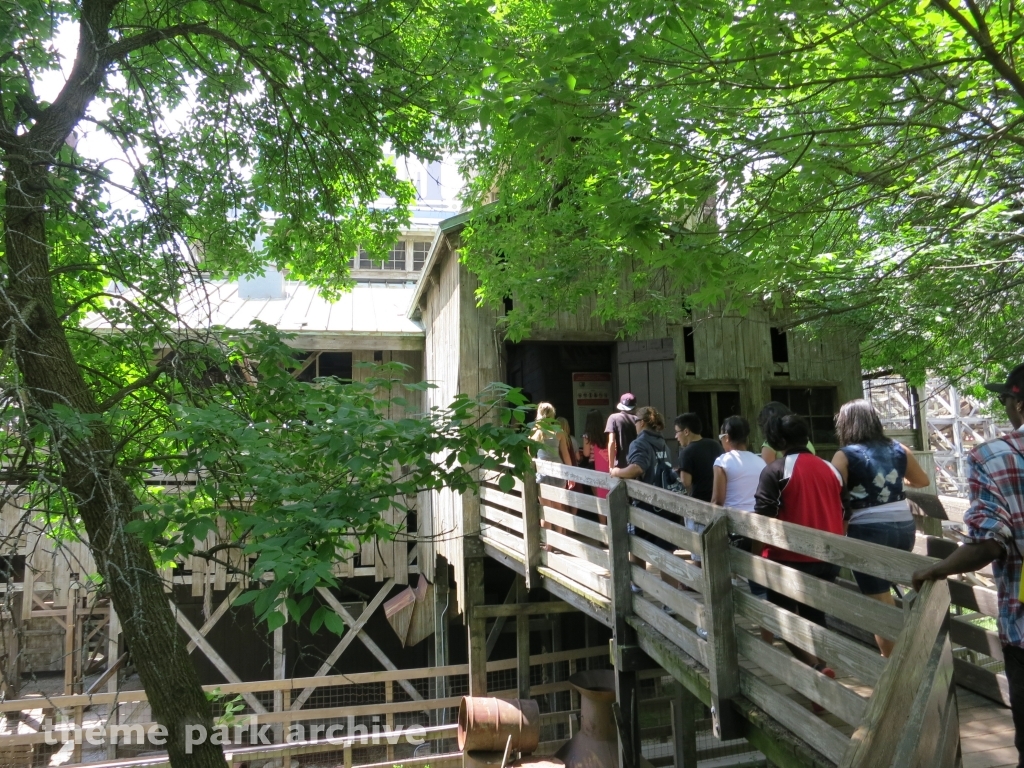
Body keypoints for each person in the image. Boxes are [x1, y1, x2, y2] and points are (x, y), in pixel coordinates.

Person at [913, 364, 1024, 767]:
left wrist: (935, 570)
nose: (1004, 407)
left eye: (1005, 399)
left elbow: (988, 545)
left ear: (1020, 404)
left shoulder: (993, 457)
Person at [832, 399, 931, 657]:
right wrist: (893, 482)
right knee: (890, 594)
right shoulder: (899, 449)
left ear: (846, 424)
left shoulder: (844, 455)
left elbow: (834, 492)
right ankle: (904, 654)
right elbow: (922, 481)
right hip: (904, 529)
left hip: (868, 529)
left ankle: (895, 664)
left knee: (879, 603)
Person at [754, 413, 849, 676]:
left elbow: (763, 518)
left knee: (782, 616)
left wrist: (755, 555)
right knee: (815, 615)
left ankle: (815, 667)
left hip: (788, 557)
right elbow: (846, 512)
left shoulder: (776, 471)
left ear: (780, 441)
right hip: (827, 557)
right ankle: (823, 665)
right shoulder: (830, 469)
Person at [675, 413, 724, 561]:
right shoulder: (715, 445)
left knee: (699, 555)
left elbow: (686, 482)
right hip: (719, 504)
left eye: (677, 432)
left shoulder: (686, 452)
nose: (676, 436)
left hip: (698, 506)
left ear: (686, 431)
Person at [712, 416, 766, 511]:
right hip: (759, 516)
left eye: (721, 437)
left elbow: (717, 501)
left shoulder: (722, 461)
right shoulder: (761, 462)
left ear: (727, 437)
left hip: (733, 517)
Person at [530, 402, 574, 487]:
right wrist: (570, 475)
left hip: (542, 470)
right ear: (552, 415)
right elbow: (565, 455)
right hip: (558, 470)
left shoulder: (535, 432)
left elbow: (530, 454)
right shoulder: (559, 432)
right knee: (559, 495)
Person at [580, 409, 611, 502]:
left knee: (598, 496)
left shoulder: (587, 436)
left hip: (593, 466)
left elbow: (586, 453)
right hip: (606, 465)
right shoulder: (607, 434)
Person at [606, 393, 639, 469]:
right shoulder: (639, 420)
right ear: (635, 406)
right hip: (636, 464)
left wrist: (611, 467)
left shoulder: (613, 418)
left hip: (620, 464)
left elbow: (611, 442)